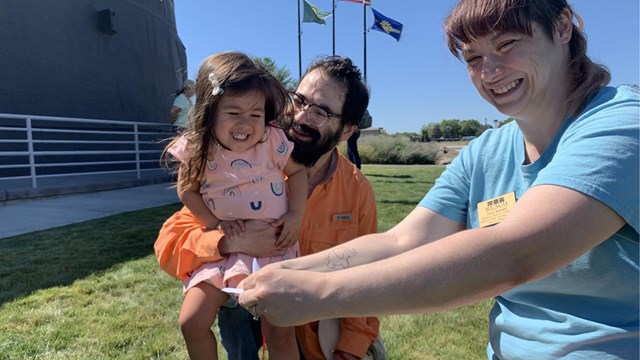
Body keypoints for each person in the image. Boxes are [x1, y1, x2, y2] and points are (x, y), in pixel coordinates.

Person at [238, 1, 640, 359]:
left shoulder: (622, 124)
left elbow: (514, 255)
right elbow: (402, 241)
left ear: (563, 27)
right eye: (472, 57)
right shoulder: (487, 151)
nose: (490, 71)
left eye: (507, 44)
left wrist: (319, 296)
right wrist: (290, 272)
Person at [154, 55, 385, 360]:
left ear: (346, 130)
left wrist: (351, 349)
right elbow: (169, 244)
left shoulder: (356, 192)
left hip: (324, 340)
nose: (301, 116)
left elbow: (366, 277)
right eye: (299, 100)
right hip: (251, 334)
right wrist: (227, 241)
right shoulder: (244, 155)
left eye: (321, 113)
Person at [161, 51, 308, 360]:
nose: (245, 123)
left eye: (255, 114)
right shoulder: (197, 147)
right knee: (192, 321)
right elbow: (187, 191)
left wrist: (296, 214)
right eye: (233, 112)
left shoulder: (271, 140)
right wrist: (214, 224)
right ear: (209, 111)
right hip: (223, 252)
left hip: (274, 246)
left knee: (282, 332)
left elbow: (297, 172)